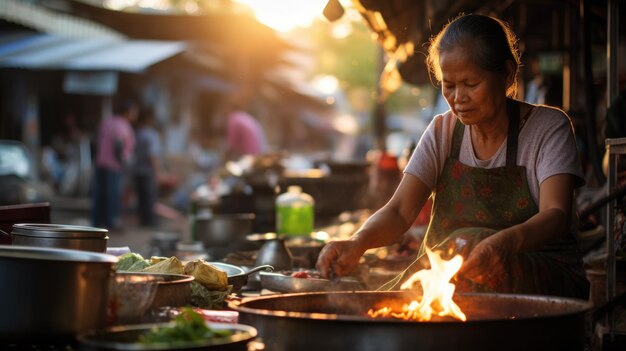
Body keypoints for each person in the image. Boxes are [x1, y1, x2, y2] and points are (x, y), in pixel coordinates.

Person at [316, 14, 590, 299]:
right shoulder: (442, 131)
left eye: (471, 84)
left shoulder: (548, 127)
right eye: (449, 85)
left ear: (507, 74)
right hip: (453, 278)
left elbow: (556, 214)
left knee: (465, 244)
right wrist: (357, 243)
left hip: (546, 278)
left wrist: (502, 244)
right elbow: (399, 212)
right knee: (383, 309)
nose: (459, 97)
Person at [92, 98, 138, 231]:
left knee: (100, 195)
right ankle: (111, 222)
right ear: (128, 112)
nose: (135, 115)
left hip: (100, 163)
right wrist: (123, 162)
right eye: (134, 111)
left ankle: (97, 223)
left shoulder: (107, 122)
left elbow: (97, 140)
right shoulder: (122, 125)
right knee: (112, 195)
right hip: (113, 166)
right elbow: (119, 145)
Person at [132, 107, 162, 227]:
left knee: (141, 199)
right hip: (148, 171)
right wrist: (158, 171)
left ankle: (143, 222)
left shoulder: (138, 133)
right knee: (149, 199)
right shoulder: (151, 134)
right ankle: (150, 223)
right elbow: (152, 155)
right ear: (150, 119)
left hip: (138, 170)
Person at [222, 94, 268, 160]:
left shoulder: (233, 118)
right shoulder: (243, 116)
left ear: (230, 108)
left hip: (250, 153)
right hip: (260, 149)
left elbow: (232, 143)